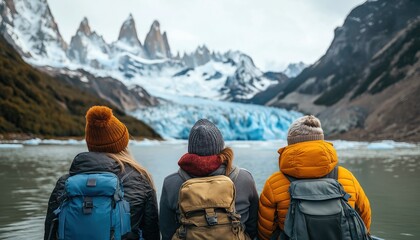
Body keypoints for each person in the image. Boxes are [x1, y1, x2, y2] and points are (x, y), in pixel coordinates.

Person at [44, 106, 160, 240]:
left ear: (90, 143)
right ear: (122, 144)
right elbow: (152, 233)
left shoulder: (64, 184)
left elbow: (50, 234)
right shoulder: (141, 180)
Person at [258, 115, 371, 240]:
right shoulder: (346, 176)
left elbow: (265, 227)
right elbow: (364, 214)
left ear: (290, 144)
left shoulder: (274, 182)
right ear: (321, 141)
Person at [159, 119, 259, 240]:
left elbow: (167, 231)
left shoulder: (171, 182)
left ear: (191, 148)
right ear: (220, 146)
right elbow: (253, 226)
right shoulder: (244, 178)